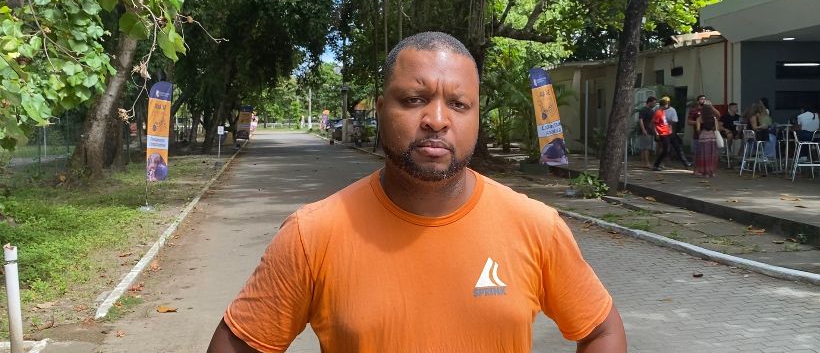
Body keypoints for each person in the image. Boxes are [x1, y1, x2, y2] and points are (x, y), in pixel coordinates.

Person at [207, 33, 626, 352]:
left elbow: (601, 330)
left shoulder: (536, 227)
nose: (437, 119)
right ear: (381, 109)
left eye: (459, 104)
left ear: (476, 117)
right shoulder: (312, 234)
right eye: (413, 99)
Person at [652, 97, 692, 170]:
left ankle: (686, 163)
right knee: (666, 150)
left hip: (669, 132)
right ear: (664, 104)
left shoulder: (663, 111)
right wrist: (656, 133)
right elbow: (653, 124)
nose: (668, 105)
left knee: (677, 147)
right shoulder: (658, 112)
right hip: (663, 133)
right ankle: (656, 165)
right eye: (667, 104)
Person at [694, 102, 719, 178]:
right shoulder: (714, 118)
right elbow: (717, 129)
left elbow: (698, 129)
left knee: (703, 155)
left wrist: (700, 133)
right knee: (711, 155)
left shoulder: (699, 118)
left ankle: (703, 171)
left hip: (703, 137)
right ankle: (711, 171)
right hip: (712, 137)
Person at [638, 96, 657, 166]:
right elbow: (641, 120)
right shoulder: (643, 110)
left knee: (645, 147)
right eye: (654, 103)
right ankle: (646, 163)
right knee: (646, 147)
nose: (654, 104)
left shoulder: (652, 111)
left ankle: (644, 163)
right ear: (649, 102)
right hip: (645, 130)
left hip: (650, 130)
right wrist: (643, 129)